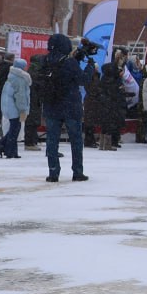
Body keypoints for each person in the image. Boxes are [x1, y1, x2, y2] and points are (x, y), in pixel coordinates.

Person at [42, 34, 92, 183]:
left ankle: (53, 173)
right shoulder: (69, 62)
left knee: (52, 141)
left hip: (51, 105)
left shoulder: (45, 60)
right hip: (70, 106)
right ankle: (77, 172)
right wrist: (90, 66)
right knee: (76, 141)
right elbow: (82, 80)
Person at [0, 58, 31, 159]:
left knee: (14, 129)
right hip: (15, 107)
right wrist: (23, 110)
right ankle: (3, 147)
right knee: (14, 129)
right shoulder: (20, 79)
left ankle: (11, 150)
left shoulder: (12, 76)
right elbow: (21, 96)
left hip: (9, 106)